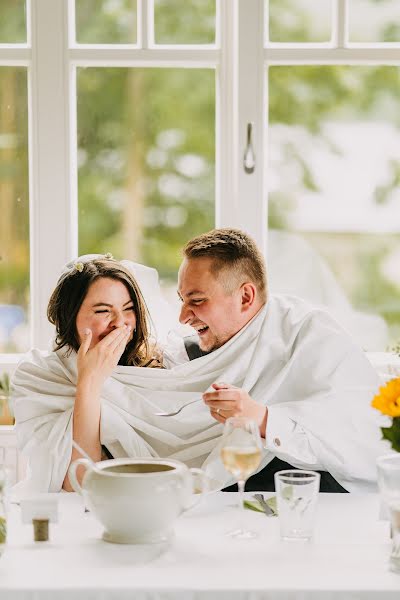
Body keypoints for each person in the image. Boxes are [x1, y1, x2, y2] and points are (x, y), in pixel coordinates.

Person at [175, 228, 386, 492]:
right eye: (182, 300)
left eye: (196, 300)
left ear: (245, 297)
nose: (183, 317)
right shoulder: (190, 354)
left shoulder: (311, 335)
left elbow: (362, 435)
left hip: (319, 503)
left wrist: (261, 418)